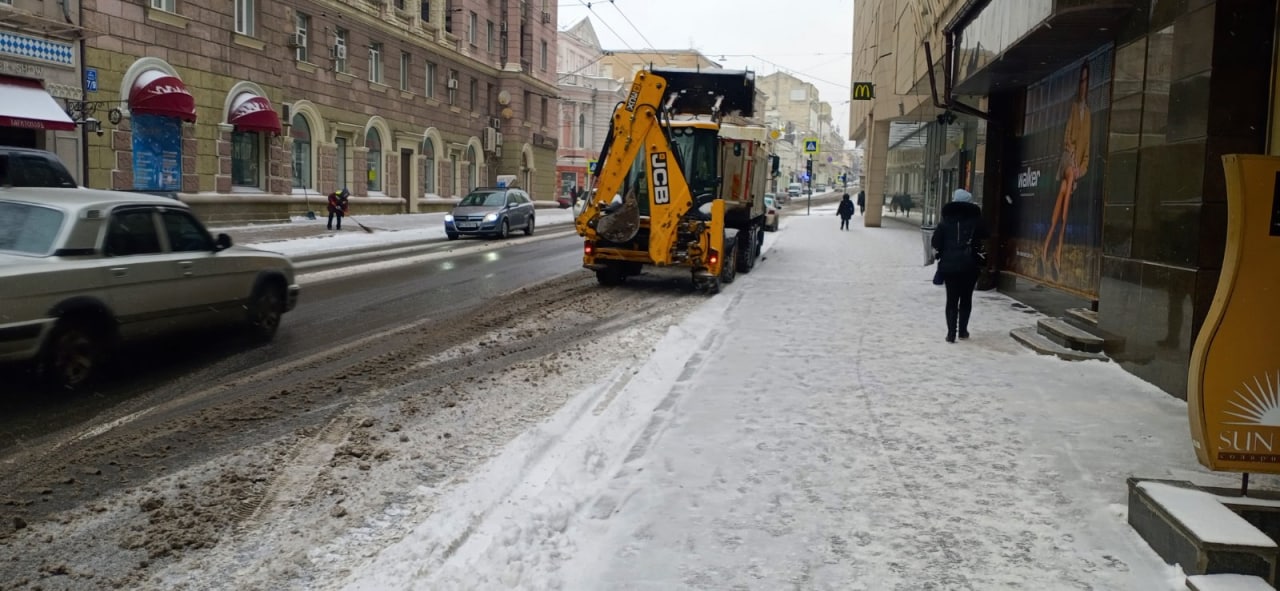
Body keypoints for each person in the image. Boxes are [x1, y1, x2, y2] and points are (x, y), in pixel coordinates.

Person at [1041, 62, 1092, 276]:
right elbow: (1067, 138)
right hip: (1065, 161)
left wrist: (1081, 168)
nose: (1083, 86)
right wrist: (1071, 157)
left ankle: (1046, 250)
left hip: (1074, 171)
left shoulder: (1088, 114)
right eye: (1081, 81)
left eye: (1086, 81)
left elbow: (1087, 150)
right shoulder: (1072, 107)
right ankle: (1058, 250)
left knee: (1064, 193)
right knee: (1068, 180)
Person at [931, 188, 988, 343]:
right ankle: (962, 331)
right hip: (970, 265)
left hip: (949, 266)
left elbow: (935, 242)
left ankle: (951, 334)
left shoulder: (945, 220)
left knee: (951, 299)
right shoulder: (976, 220)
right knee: (966, 298)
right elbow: (985, 235)